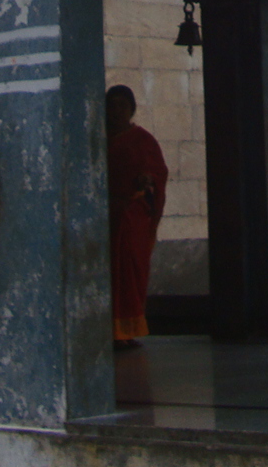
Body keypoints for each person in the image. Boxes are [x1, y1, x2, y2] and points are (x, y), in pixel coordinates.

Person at [105, 84, 168, 348]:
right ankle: (108, 329)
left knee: (130, 270)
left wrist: (148, 179)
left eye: (123, 105)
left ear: (132, 109)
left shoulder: (143, 140)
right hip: (105, 215)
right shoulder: (96, 137)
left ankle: (127, 329)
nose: (118, 111)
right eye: (113, 105)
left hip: (132, 217)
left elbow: (157, 172)